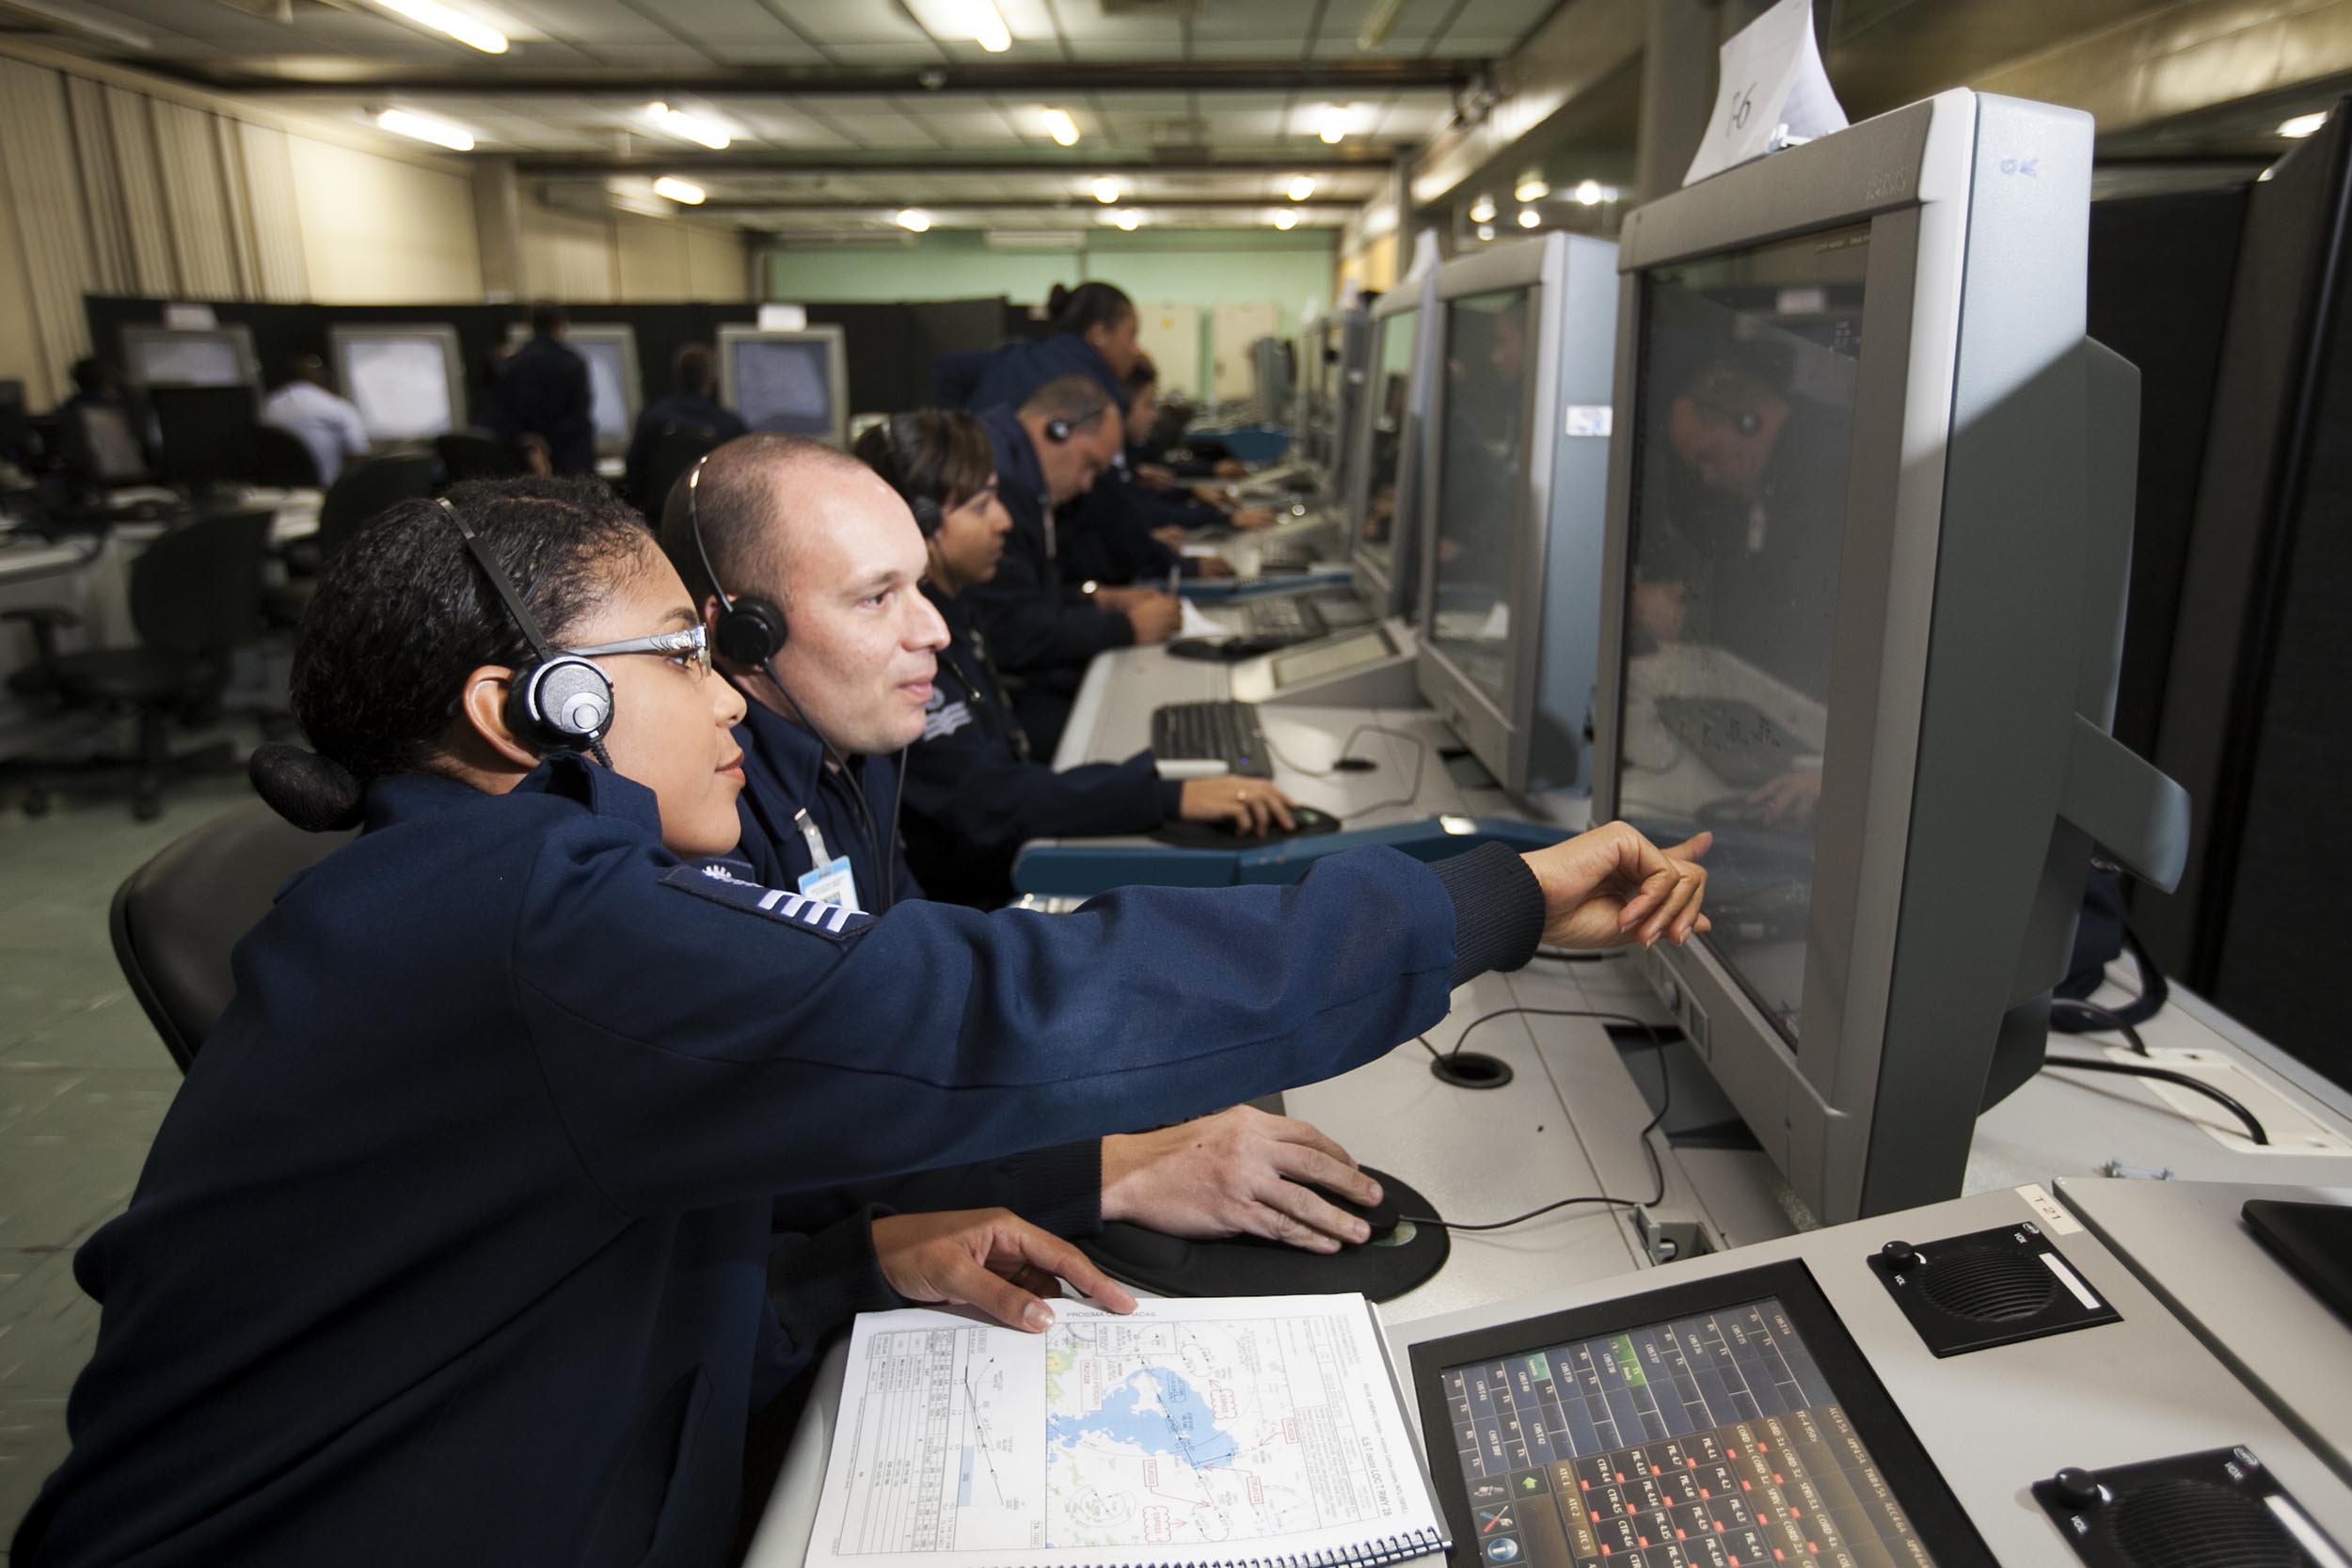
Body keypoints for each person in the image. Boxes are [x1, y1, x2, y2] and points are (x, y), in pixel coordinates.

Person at [12, 473, 1709, 1568]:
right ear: (530, 712)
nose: (723, 685)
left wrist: (847, 1262)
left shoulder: (480, 891)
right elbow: (1001, 1007)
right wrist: (1497, 896)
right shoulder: (544, 925)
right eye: (682, 652)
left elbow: (563, 1277)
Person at [845, 412, 1296, 907]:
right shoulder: (907, 643)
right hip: (971, 899)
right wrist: (1167, 797)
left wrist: (1096, 599)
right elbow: (983, 799)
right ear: (916, 523)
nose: (1005, 520)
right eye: (981, 506)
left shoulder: (958, 602)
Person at [967, 374, 1181, 757]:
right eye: (1089, 465)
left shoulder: (1014, 467)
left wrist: (1098, 598)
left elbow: (1028, 595)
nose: (1086, 485)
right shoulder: (1003, 484)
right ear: (1057, 428)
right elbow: (1009, 630)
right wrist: (1126, 628)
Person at [934, 279, 1140, 415]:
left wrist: (959, 437)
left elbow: (946, 367)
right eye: (1131, 335)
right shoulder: (1097, 394)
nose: (1135, 350)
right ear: (1099, 334)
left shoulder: (1017, 353)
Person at [624, 341, 746, 510]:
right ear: (711, 379)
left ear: (676, 375)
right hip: (712, 513)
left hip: (659, 515)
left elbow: (634, 473)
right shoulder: (729, 424)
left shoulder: (651, 418)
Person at [488, 302, 596, 476]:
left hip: (525, 460)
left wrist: (532, 444)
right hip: (568, 460)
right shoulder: (573, 363)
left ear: (531, 324)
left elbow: (503, 415)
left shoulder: (512, 365)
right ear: (561, 324)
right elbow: (579, 416)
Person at [261, 353, 370, 487]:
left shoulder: (269, 404)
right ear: (325, 377)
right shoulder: (336, 406)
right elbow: (358, 457)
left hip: (280, 491)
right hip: (327, 492)